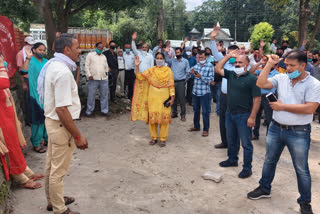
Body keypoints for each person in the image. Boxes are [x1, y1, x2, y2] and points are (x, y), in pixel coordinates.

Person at [248, 51, 320, 214]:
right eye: (286, 65)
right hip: (275, 128)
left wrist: (283, 107)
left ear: (303, 65)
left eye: (292, 65)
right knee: (269, 160)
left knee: (301, 169)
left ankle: (305, 202)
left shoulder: (314, 84)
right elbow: (261, 83)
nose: (288, 68)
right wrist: (269, 64)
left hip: (299, 132)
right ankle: (264, 188)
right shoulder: (282, 78)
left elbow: (311, 108)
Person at [39, 33, 88, 214]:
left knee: (51, 166)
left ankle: (53, 200)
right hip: (60, 125)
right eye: (76, 47)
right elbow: (62, 110)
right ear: (66, 49)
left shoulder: (53, 65)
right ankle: (60, 209)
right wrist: (78, 135)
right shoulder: (62, 72)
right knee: (57, 171)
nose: (79, 50)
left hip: (52, 123)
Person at [0, 53, 44, 189]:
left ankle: (26, 172)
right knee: (10, 146)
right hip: (2, 115)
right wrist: (1, 66)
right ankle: (21, 179)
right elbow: (4, 82)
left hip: (7, 112)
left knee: (15, 145)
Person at [215, 50, 261, 179]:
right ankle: (232, 160)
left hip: (244, 115)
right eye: (236, 62)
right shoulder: (231, 75)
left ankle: (247, 168)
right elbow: (218, 68)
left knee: (246, 144)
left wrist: (252, 117)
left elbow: (257, 99)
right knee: (231, 139)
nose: (237, 64)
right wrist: (228, 56)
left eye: (241, 62)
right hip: (230, 113)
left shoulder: (252, 79)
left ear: (247, 64)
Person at [131, 53, 175, 147]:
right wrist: (137, 66)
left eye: (161, 58)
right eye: (158, 58)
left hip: (164, 98)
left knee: (164, 120)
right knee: (153, 120)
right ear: (155, 59)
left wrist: (172, 97)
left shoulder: (168, 71)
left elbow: (171, 85)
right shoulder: (151, 70)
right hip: (152, 99)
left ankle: (163, 139)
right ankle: (154, 138)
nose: (159, 60)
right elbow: (139, 77)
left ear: (164, 59)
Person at [210, 24, 240, 149]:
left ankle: (234, 144)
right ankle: (224, 142)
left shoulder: (243, 66)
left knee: (235, 121)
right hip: (224, 96)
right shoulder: (225, 63)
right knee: (222, 119)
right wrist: (213, 39)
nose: (231, 56)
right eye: (228, 54)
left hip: (236, 97)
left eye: (233, 54)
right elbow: (215, 53)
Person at [21, 42, 48, 153]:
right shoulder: (30, 62)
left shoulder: (47, 62)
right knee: (37, 121)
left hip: (47, 95)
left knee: (47, 119)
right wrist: (27, 58)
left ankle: (47, 139)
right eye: (40, 50)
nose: (42, 52)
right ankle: (36, 143)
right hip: (35, 96)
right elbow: (23, 71)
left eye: (44, 50)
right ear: (34, 50)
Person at [249, 56, 280, 140]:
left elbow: (268, 86)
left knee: (269, 118)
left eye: (269, 62)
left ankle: (269, 136)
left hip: (269, 97)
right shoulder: (262, 71)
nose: (266, 63)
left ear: (274, 65)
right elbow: (251, 72)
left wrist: (259, 80)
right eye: (266, 62)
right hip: (258, 96)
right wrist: (259, 63)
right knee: (256, 116)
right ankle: (255, 134)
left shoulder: (277, 74)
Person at [188, 51, 214, 137]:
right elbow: (190, 72)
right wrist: (191, 72)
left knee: (205, 112)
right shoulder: (197, 65)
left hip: (205, 93)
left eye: (202, 58)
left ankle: (206, 129)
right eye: (199, 58)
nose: (201, 59)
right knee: (196, 110)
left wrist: (201, 76)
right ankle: (196, 126)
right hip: (195, 92)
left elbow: (211, 80)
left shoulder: (210, 66)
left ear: (205, 57)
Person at [164, 47, 189, 121]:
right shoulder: (172, 61)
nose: (177, 54)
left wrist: (185, 80)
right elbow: (165, 59)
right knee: (173, 98)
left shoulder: (185, 61)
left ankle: (183, 115)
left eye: (178, 52)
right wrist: (166, 52)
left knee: (182, 99)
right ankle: (174, 113)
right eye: (176, 52)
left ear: (181, 53)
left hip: (181, 82)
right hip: (172, 82)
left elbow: (188, 72)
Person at [85, 42, 109, 117]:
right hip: (93, 78)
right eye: (99, 47)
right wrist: (89, 75)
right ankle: (89, 111)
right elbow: (86, 65)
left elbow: (106, 66)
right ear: (96, 47)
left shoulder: (104, 56)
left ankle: (104, 111)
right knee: (91, 96)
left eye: (102, 48)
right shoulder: (90, 55)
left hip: (103, 79)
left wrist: (106, 72)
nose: (100, 49)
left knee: (104, 96)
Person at [16, 36, 36, 125]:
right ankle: (29, 120)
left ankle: (34, 118)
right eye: (29, 44)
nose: (31, 46)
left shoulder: (33, 53)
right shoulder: (20, 54)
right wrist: (23, 83)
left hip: (33, 79)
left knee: (34, 100)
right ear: (25, 44)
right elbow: (20, 70)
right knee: (28, 100)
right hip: (26, 80)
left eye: (32, 44)